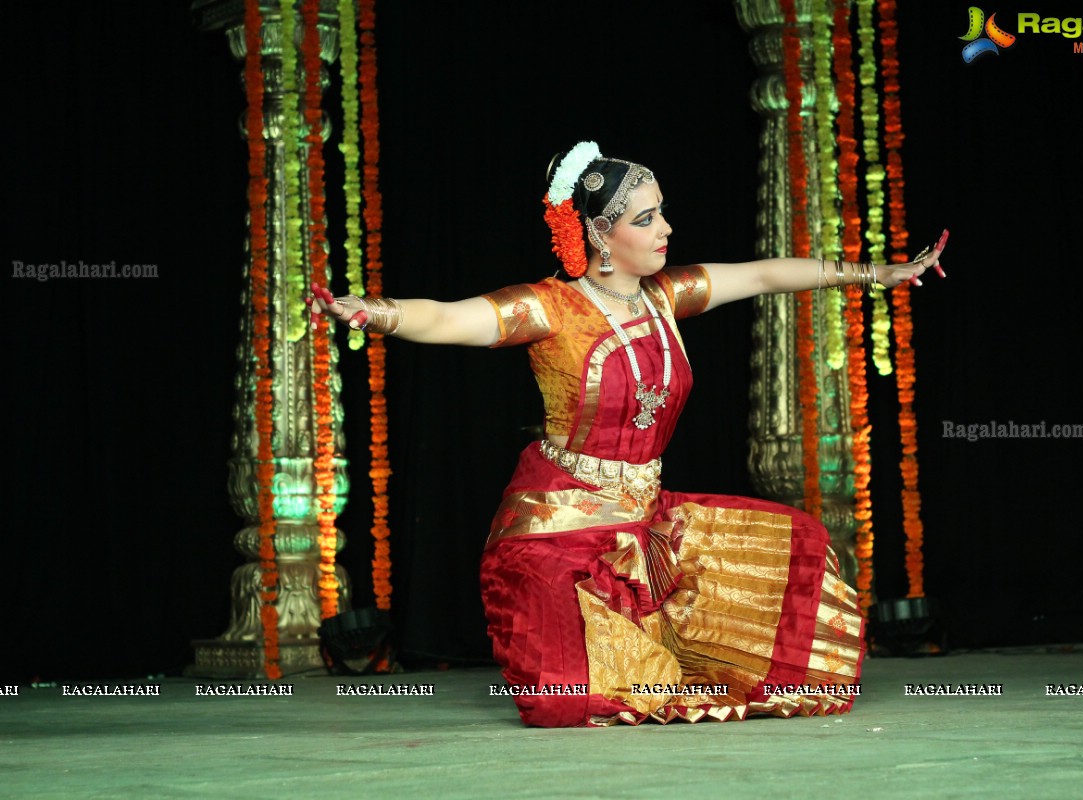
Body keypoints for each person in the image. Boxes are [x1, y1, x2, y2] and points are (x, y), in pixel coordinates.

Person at [308, 141, 947, 727]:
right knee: (574, 697)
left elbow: (760, 275)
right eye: (645, 218)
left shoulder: (665, 297)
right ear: (599, 234)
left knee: (800, 545)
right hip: (559, 529)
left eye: (661, 212)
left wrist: (873, 275)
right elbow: (451, 318)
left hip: (648, 521)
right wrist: (372, 313)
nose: (665, 228)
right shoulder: (550, 308)